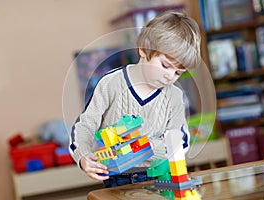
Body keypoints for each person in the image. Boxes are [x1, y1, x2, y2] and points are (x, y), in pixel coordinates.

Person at [69, 11, 201, 187]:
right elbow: (84, 126)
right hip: (117, 179)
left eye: (178, 72)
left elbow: (180, 142)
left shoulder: (174, 96)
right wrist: (84, 156)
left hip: (159, 176)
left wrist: (143, 147)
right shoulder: (111, 84)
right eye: (165, 66)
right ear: (144, 50)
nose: (170, 76)